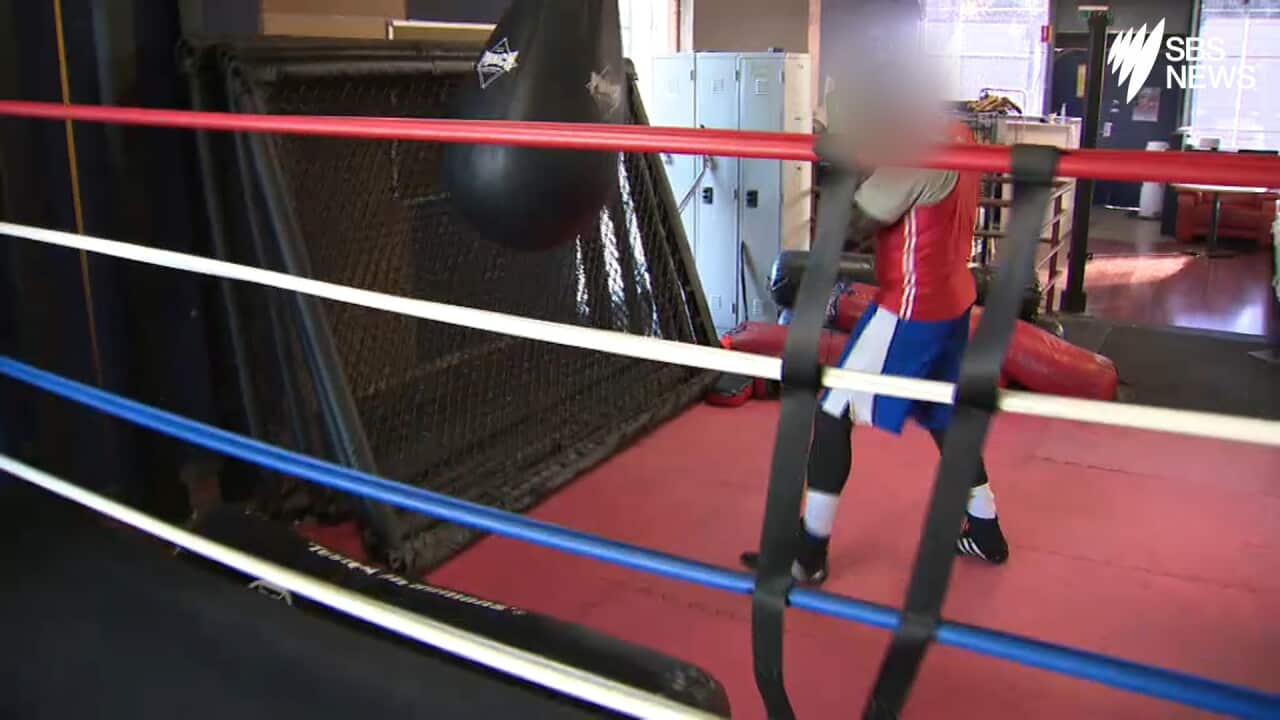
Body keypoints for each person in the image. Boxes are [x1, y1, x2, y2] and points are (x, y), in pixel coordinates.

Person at [741, 121, 1010, 585]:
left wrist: (843, 173)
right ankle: (985, 527)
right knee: (946, 416)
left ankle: (809, 555)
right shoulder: (959, 134)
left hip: (910, 305)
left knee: (833, 413)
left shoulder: (917, 153)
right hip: (953, 299)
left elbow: (858, 222)